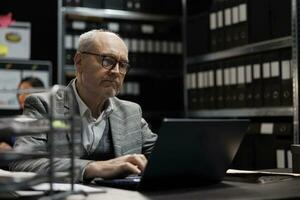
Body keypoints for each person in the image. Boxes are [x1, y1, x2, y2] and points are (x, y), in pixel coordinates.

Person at [10, 29, 157, 182]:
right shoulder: (44, 105)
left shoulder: (131, 112)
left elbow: (167, 155)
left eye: (123, 64)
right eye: (108, 61)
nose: (116, 72)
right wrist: (92, 168)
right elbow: (23, 162)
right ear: (79, 62)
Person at [0, 76, 45, 151]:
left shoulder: (45, 120)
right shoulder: (18, 120)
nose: (21, 97)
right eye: (19, 93)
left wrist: (12, 151)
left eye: (26, 92)